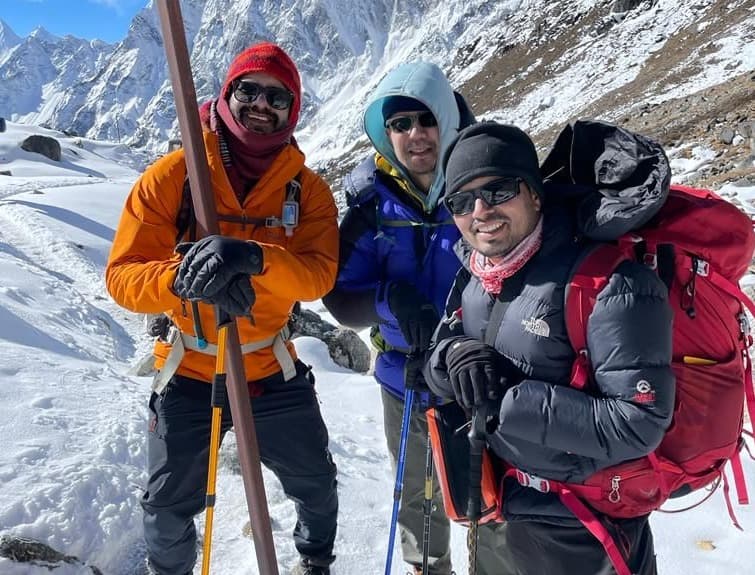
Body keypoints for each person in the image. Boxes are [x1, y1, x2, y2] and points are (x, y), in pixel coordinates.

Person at [106, 42, 339, 575]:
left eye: (277, 96)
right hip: (189, 367)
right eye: (248, 90)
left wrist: (256, 258)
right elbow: (122, 277)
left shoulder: (308, 192)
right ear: (226, 95)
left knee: (316, 485)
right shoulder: (175, 176)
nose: (262, 103)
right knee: (167, 508)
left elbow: (317, 274)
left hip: (270, 368)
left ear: (293, 108)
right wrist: (186, 281)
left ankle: (315, 562)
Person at [423, 121, 675, 575]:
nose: (480, 210)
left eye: (499, 189)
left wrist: (507, 398)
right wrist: (453, 357)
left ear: (535, 193)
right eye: (461, 200)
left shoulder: (610, 284)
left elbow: (640, 424)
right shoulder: (478, 275)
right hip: (501, 504)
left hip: (583, 526)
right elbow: (439, 354)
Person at [322, 61, 476, 575]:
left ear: (447, 119)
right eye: (399, 124)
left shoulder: (483, 183)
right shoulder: (373, 203)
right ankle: (429, 568)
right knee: (417, 490)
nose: (414, 135)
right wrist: (389, 300)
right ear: (385, 134)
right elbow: (341, 298)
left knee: (494, 490)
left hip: (481, 373)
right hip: (403, 378)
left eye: (425, 119)